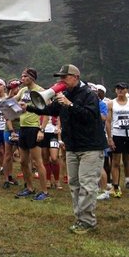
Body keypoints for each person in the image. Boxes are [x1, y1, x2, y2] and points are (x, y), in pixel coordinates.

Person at [25, 64, 106, 234]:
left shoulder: (89, 94)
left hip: (90, 147)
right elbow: (50, 109)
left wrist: (69, 105)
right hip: (72, 146)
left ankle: (88, 221)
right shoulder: (65, 94)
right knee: (75, 184)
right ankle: (80, 218)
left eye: (65, 77)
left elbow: (90, 117)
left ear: (75, 77)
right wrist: (29, 107)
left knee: (87, 185)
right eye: (60, 77)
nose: (61, 81)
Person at [13, 68, 50, 201]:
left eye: (24, 76)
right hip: (22, 128)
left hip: (34, 128)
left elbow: (47, 111)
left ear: (32, 78)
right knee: (23, 161)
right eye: (21, 76)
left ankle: (44, 191)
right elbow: (11, 100)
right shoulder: (23, 90)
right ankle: (29, 188)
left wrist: (42, 129)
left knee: (37, 162)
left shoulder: (40, 91)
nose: (22, 78)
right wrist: (12, 88)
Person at [105, 82, 129, 200]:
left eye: (122, 88)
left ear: (127, 90)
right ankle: (116, 187)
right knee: (116, 162)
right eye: (118, 88)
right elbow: (108, 121)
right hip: (118, 134)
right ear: (115, 90)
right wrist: (110, 138)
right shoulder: (111, 104)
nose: (120, 91)